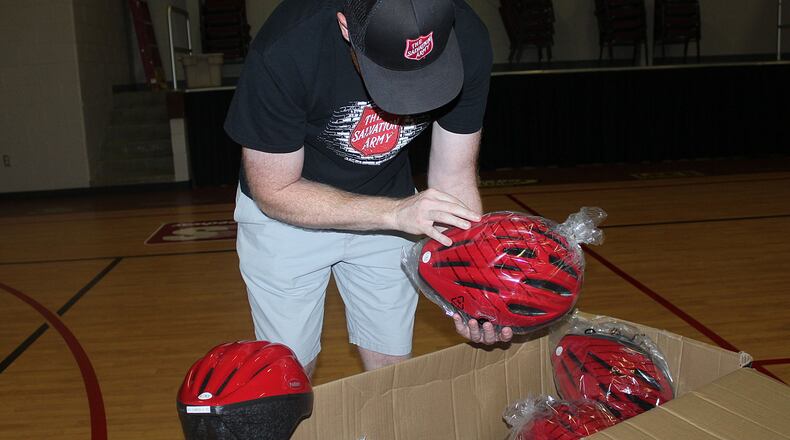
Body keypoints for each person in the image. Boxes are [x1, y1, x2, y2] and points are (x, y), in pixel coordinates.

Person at [224, 0, 513, 378]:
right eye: (393, 74)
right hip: (288, 213)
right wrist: (394, 213)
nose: (410, 94)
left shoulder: (467, 36)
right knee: (290, 373)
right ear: (346, 27)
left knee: (390, 371)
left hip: (391, 203)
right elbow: (274, 189)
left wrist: (472, 288)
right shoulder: (286, 46)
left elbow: (454, 179)